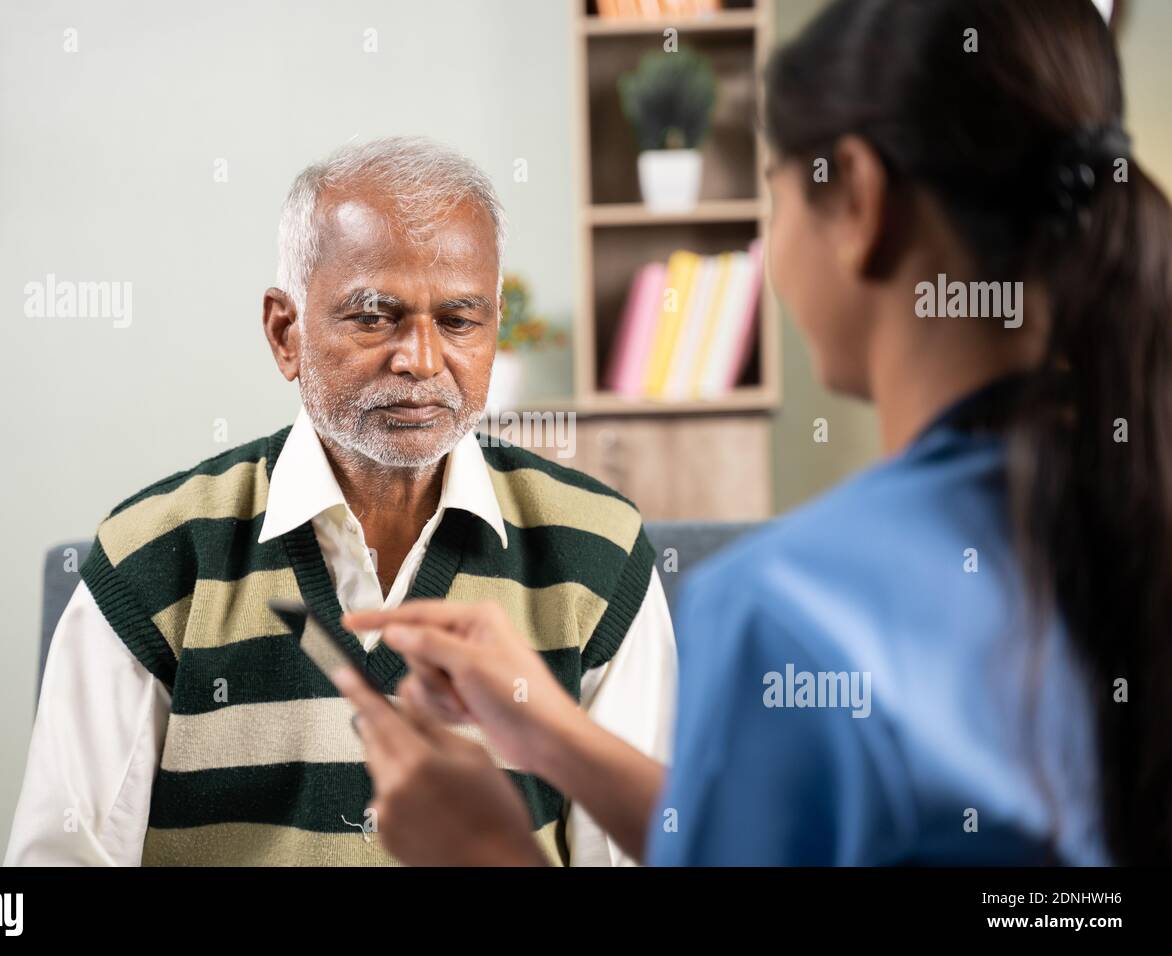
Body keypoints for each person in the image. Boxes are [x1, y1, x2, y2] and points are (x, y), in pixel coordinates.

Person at [330, 0, 1172, 866]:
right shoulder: (1125, 508)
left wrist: (485, 851)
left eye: (773, 190)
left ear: (857, 199)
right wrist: (551, 735)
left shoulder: (787, 611)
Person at [4, 136, 677, 866]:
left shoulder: (597, 553)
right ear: (284, 332)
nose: (421, 359)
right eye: (374, 316)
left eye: (458, 320)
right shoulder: (156, 558)